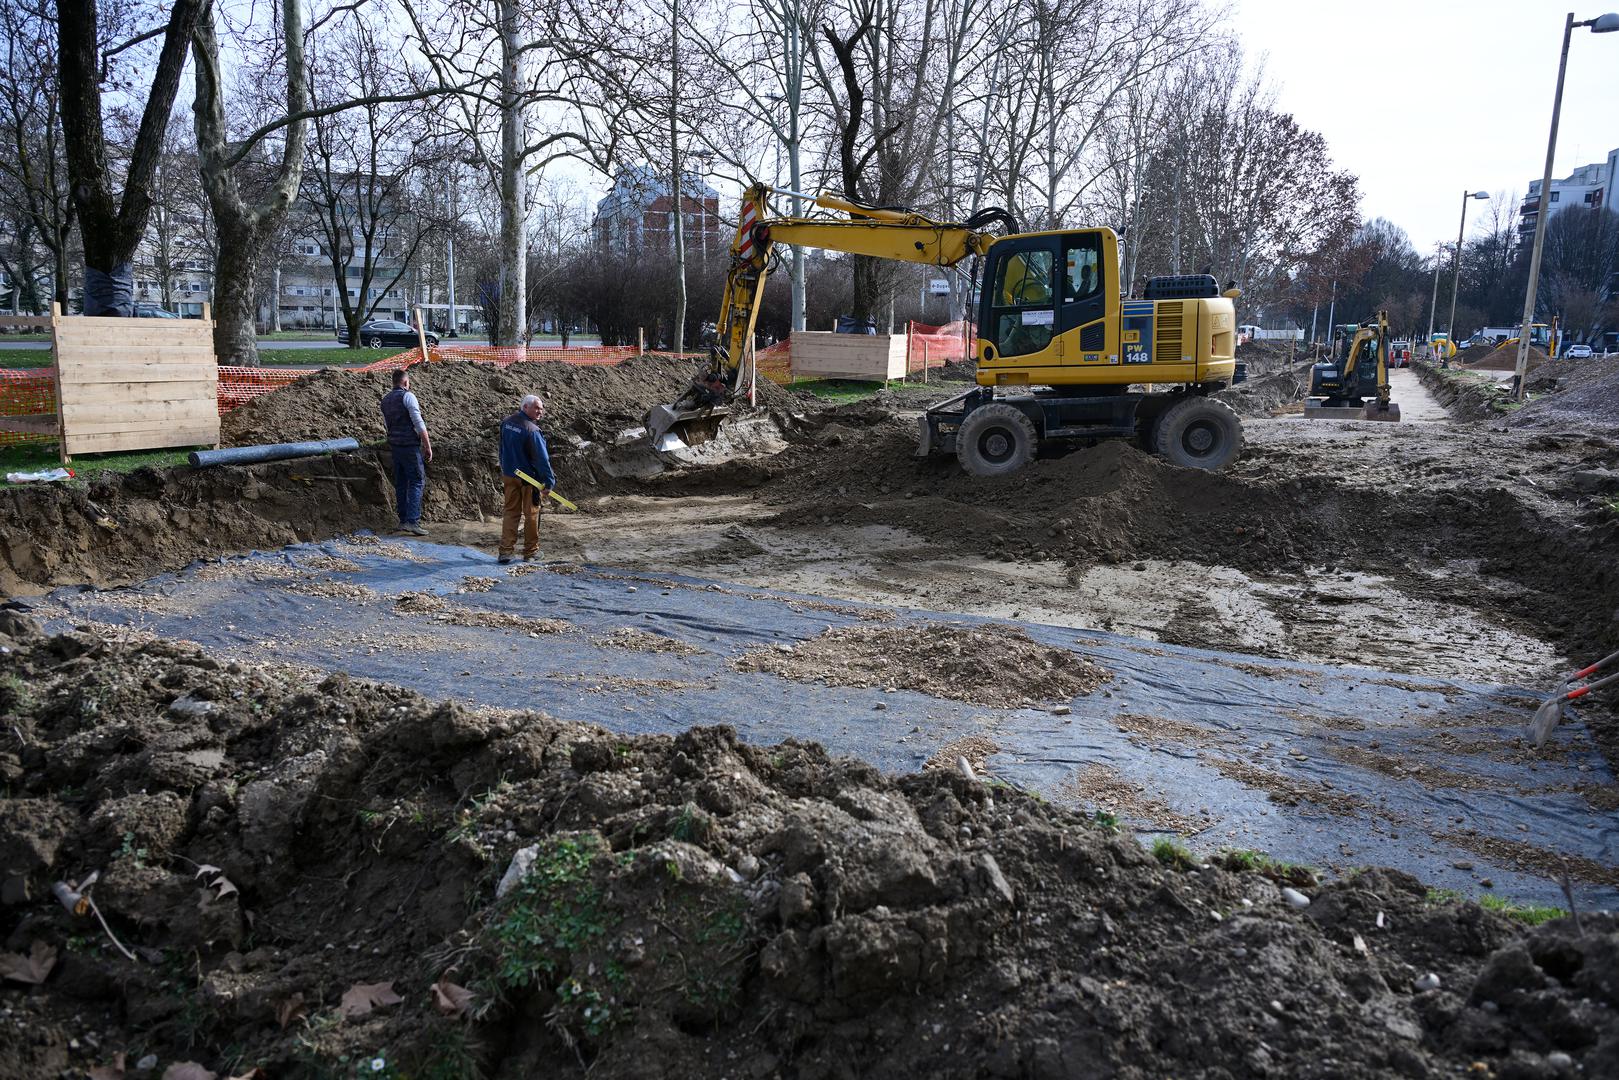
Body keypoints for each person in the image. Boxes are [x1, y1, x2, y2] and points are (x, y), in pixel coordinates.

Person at [498, 394, 553, 564]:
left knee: (511, 512)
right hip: (528, 480)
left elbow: (501, 448)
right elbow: (542, 460)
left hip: (509, 475)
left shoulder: (506, 423)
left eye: (541, 409)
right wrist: (549, 481)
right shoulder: (532, 431)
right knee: (531, 515)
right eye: (536, 408)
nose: (540, 412)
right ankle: (530, 552)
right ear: (525, 407)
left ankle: (506, 552)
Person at [379, 368, 432, 536]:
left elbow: (388, 425)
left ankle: (403, 520)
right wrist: (427, 445)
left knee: (401, 483)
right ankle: (412, 521)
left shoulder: (385, 400)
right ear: (405, 382)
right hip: (410, 446)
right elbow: (418, 422)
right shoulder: (408, 396)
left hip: (395, 446)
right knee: (417, 481)